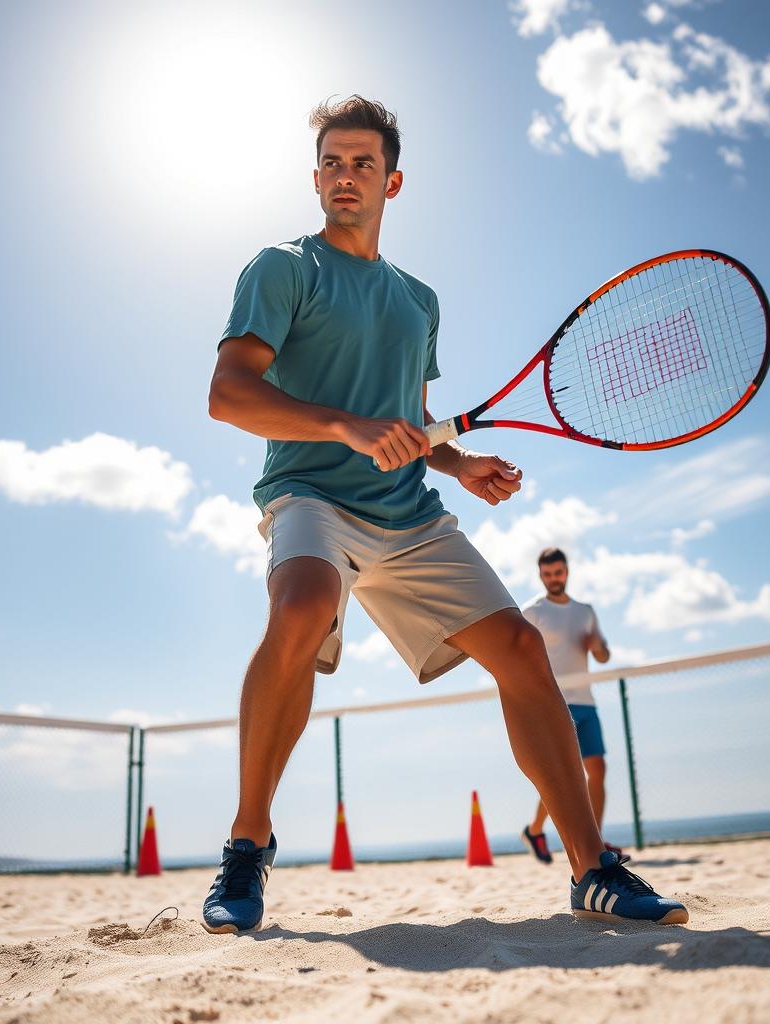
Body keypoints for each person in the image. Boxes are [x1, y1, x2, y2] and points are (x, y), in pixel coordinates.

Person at [203, 95, 688, 931]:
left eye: (362, 162)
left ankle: (592, 868)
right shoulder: (283, 268)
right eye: (331, 162)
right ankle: (247, 845)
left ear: (394, 179)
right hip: (309, 495)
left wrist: (458, 464)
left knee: (521, 648)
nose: (344, 176)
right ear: (314, 176)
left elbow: (413, 422)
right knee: (303, 606)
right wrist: (342, 427)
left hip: (409, 511)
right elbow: (228, 394)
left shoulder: (418, 299)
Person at [520, 548, 616, 865]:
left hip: (586, 703)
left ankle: (595, 843)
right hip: (555, 704)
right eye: (547, 574)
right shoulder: (533, 611)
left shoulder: (585, 611)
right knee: (563, 776)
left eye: (558, 572)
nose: (553, 579)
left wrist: (597, 646)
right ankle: (535, 830)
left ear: (567, 571)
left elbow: (603, 656)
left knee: (597, 771)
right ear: (540, 575)